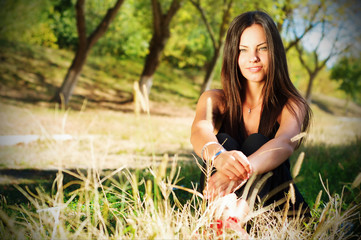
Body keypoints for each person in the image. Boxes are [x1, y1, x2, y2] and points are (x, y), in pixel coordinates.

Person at [190, 11, 312, 215]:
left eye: (262, 48)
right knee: (223, 141)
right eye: (243, 50)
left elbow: (284, 143)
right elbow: (199, 130)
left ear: (275, 52)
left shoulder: (291, 104)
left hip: (275, 208)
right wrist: (220, 157)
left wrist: (239, 172)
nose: (253, 58)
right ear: (232, 55)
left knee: (259, 143)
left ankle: (232, 219)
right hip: (222, 200)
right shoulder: (214, 99)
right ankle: (223, 218)